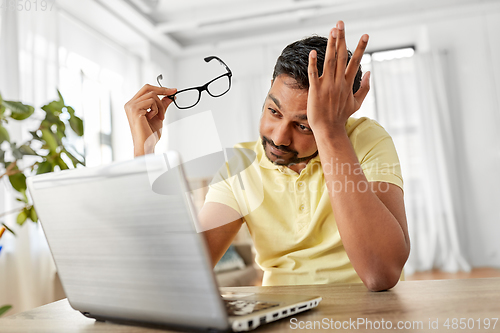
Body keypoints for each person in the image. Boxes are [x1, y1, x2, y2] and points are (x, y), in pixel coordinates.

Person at [125, 21, 410, 292]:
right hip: (282, 315)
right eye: (273, 111)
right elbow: (181, 275)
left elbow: (380, 273)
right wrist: (145, 154)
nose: (278, 137)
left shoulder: (366, 139)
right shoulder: (240, 165)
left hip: (364, 314)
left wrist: (330, 131)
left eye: (303, 126)